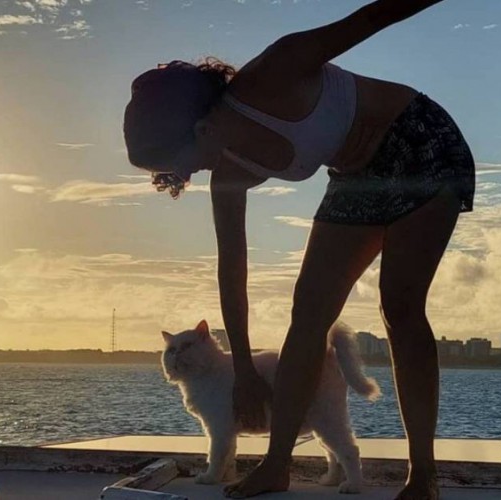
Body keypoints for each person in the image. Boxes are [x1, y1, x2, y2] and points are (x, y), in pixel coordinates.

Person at [123, 0, 474, 498]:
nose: (180, 178)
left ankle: (424, 476)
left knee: (399, 305)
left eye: (175, 166)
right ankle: (277, 464)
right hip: (356, 178)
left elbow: (373, 17)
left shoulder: (277, 69)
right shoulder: (229, 176)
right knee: (307, 312)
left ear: (197, 127)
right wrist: (242, 369)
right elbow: (232, 271)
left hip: (422, 144)